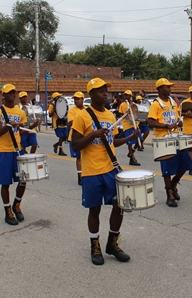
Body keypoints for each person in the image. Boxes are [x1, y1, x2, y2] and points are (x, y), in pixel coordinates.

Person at [71, 78, 138, 266]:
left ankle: (112, 243)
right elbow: (75, 145)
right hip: (91, 171)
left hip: (110, 169)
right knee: (95, 209)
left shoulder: (110, 116)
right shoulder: (82, 116)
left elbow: (111, 142)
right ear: (91, 94)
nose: (105, 94)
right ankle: (95, 246)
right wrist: (92, 134)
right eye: (100, 91)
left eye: (106, 91)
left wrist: (129, 138)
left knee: (120, 206)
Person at [148, 78, 192, 207]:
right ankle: (169, 194)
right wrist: (165, 126)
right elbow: (150, 121)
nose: (169, 89)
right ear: (160, 89)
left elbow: (176, 115)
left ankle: (174, 183)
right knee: (167, 169)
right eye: (167, 87)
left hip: (176, 136)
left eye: (169, 87)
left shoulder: (173, 102)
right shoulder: (156, 104)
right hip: (163, 139)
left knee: (186, 163)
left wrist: (182, 116)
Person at [0, 84, 28, 226]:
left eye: (13, 92)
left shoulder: (20, 112)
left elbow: (20, 132)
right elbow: (0, 131)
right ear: (3, 95)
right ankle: (7, 211)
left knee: (23, 180)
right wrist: (9, 125)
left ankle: (16, 204)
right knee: (5, 183)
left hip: (17, 150)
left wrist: (30, 128)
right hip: (3, 151)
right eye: (8, 93)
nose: (12, 95)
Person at [67, 91, 85, 185]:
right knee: (79, 158)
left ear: (82, 99)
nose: (76, 101)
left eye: (78, 99)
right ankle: (80, 176)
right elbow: (71, 123)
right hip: (75, 137)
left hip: (85, 137)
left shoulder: (86, 110)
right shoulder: (72, 110)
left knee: (85, 157)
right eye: (75, 99)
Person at [119, 90, 141, 166]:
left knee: (140, 140)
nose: (126, 96)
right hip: (127, 125)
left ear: (131, 96)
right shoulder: (122, 105)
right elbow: (120, 115)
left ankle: (131, 152)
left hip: (135, 125)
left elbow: (136, 114)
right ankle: (132, 158)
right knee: (130, 142)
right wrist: (126, 113)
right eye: (125, 95)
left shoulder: (134, 105)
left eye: (128, 95)